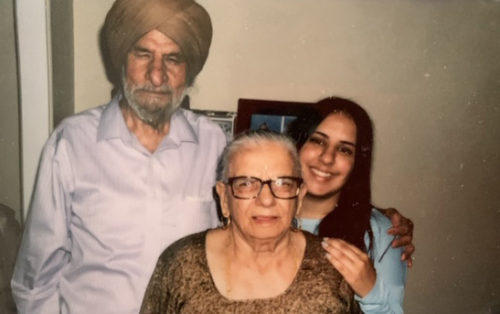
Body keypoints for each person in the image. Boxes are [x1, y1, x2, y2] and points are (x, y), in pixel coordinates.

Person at [11, 0, 226, 313]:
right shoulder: (72, 141)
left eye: (173, 58)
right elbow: (36, 277)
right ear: (121, 60)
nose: (156, 75)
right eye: (143, 53)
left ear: (188, 71)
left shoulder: (213, 143)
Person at [140, 130, 361, 313]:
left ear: (299, 196)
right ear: (224, 198)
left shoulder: (333, 267)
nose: (266, 199)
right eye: (246, 183)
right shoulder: (181, 262)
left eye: (282, 183)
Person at [287, 97, 408, 313]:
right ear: (297, 144)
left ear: (357, 164)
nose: (327, 158)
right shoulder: (263, 215)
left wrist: (371, 292)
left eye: (344, 150)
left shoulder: (381, 233)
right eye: (318, 141)